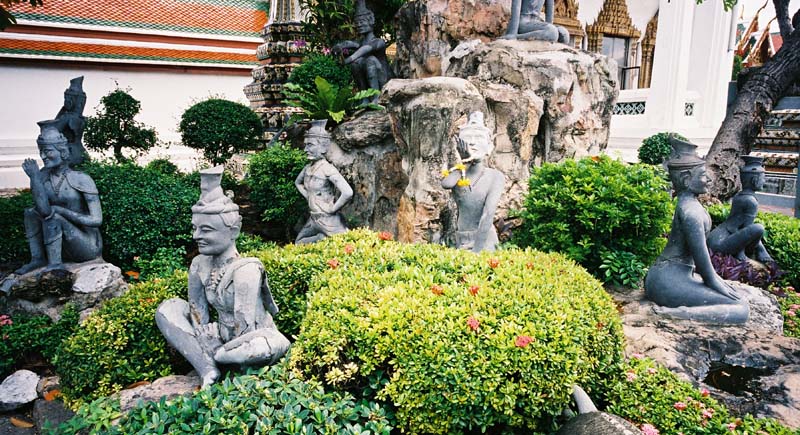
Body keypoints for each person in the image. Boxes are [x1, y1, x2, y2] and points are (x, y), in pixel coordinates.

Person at [156, 167, 290, 387]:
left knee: (258, 346)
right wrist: (203, 335)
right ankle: (208, 368)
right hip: (218, 338)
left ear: (233, 231)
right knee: (168, 309)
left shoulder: (246, 270)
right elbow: (198, 313)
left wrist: (215, 344)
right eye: (195, 228)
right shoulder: (199, 264)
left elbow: (245, 328)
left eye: (206, 230)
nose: (196, 236)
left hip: (251, 341)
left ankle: (216, 357)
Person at [644, 137, 749, 324]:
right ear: (686, 179)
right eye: (702, 175)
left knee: (738, 301)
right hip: (666, 282)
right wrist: (715, 282)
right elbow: (701, 261)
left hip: (667, 276)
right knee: (741, 309)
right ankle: (675, 313)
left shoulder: (690, 205)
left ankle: (678, 312)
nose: (708, 179)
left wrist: (717, 281)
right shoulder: (690, 212)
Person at [16, 120, 102, 275]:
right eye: (41, 151)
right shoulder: (42, 177)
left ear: (62, 152)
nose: (43, 156)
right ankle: (38, 259)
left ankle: (55, 264)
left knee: (54, 217)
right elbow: (44, 211)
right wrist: (35, 179)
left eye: (48, 151)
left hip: (87, 246)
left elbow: (97, 220)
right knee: (30, 213)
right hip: (63, 245)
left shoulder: (81, 179)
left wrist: (61, 211)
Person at [441, 111, 505, 253]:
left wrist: (476, 251)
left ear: (489, 146)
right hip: (461, 238)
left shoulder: (495, 177)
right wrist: (465, 162)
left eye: (478, 137)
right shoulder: (458, 173)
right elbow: (446, 184)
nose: (472, 142)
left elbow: (488, 215)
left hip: (484, 240)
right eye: (467, 138)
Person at [294, 119, 354, 244]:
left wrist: (332, 209)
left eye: (310, 145)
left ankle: (324, 240)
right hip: (313, 219)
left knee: (343, 244)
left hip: (328, 219)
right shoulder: (307, 168)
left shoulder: (327, 169)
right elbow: (297, 183)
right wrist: (309, 196)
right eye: (306, 145)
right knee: (299, 242)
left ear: (322, 147)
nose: (305, 149)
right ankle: (321, 239)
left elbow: (348, 192)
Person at [707, 155, 773, 263]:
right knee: (758, 228)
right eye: (763, 178)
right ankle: (754, 252)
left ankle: (757, 252)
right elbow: (746, 229)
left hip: (714, 239)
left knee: (756, 228)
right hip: (720, 245)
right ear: (754, 180)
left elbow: (739, 227)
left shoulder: (739, 196)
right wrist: (743, 253)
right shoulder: (750, 201)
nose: (764, 181)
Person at [332, 0, 392, 100]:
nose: (359, 25)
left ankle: (376, 98)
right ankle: (364, 98)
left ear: (370, 21)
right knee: (356, 63)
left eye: (362, 21)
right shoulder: (360, 43)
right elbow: (349, 43)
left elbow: (365, 49)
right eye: (357, 22)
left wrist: (348, 59)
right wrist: (339, 47)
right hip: (370, 81)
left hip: (385, 82)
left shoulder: (378, 42)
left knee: (370, 60)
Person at [53, 76, 87, 166]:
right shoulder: (82, 119)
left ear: (71, 100)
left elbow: (52, 132)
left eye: (66, 99)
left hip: (68, 154)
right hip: (81, 152)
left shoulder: (67, 117)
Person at [503, 0, 570, 43]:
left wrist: (550, 31)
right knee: (553, 32)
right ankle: (518, 37)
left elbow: (549, 21)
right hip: (523, 22)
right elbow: (516, 9)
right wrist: (512, 33)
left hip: (537, 22)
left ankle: (550, 34)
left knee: (564, 34)